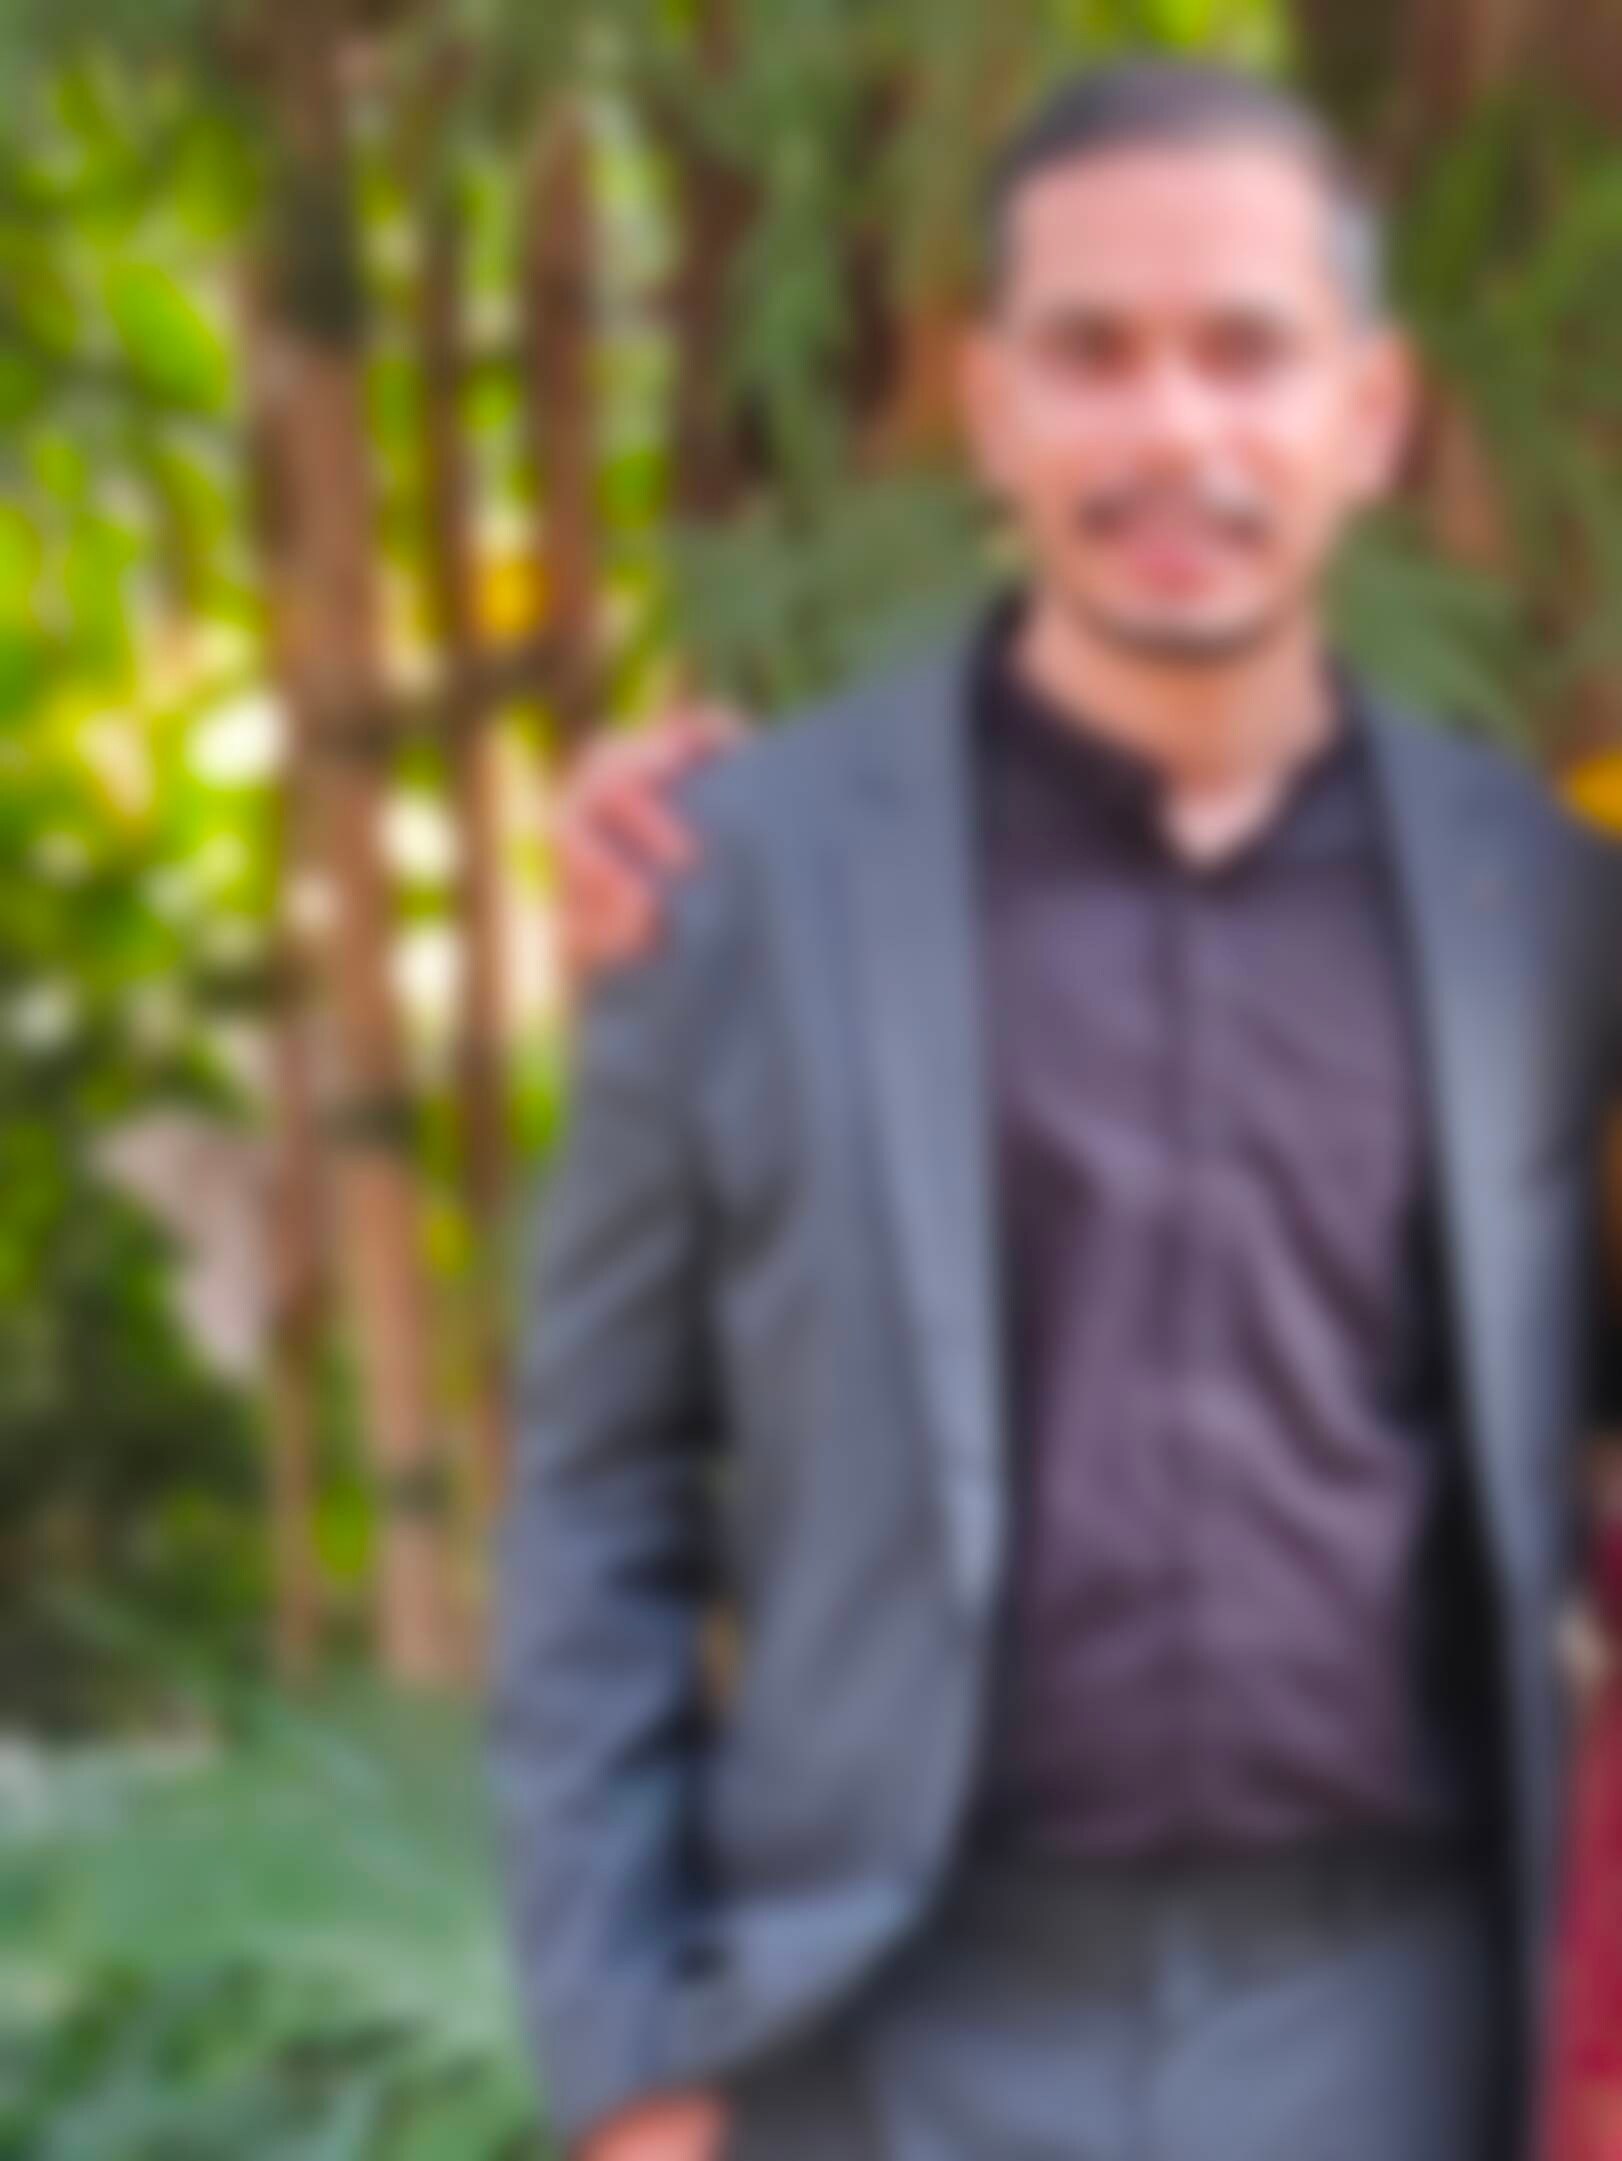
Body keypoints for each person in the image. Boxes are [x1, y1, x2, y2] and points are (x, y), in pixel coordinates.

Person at [489, 58, 1622, 2161]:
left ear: (1370, 415)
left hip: (1391, 2029)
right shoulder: (740, 888)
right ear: (989, 404)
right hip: (886, 2030)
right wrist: (627, 2057)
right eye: (1090, 353)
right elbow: (599, 1495)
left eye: (1244, 352)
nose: (1170, 431)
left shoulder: (1546, 913)